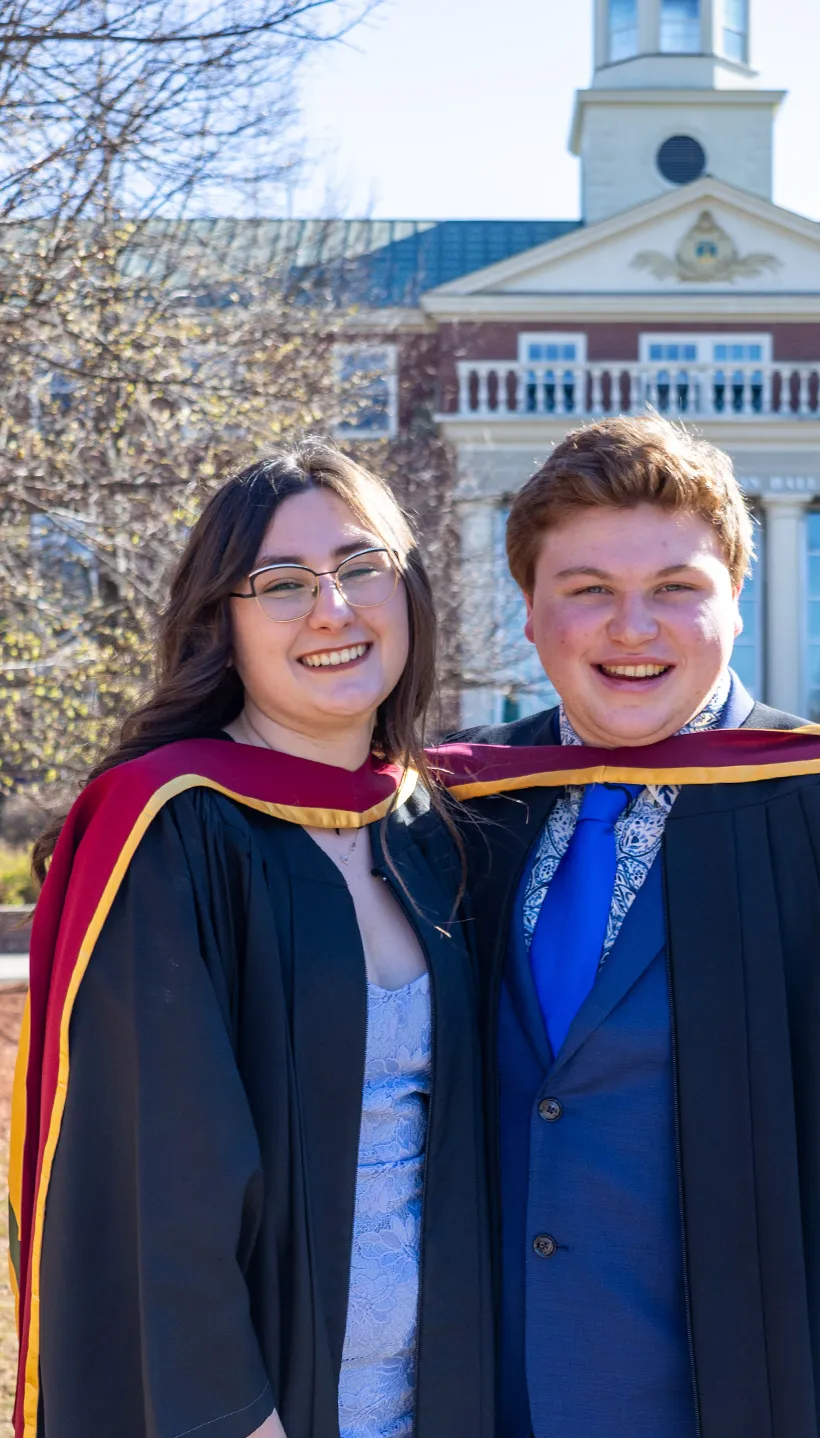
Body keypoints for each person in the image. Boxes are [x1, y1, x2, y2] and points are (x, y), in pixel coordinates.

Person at [446, 416, 820, 1438]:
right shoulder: (466, 806)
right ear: (528, 611)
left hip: (759, 1395)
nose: (631, 626)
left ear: (735, 600)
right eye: (587, 590)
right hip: (490, 1400)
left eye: (674, 588)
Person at [10, 441, 493, 1438]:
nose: (334, 608)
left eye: (362, 567)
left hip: (439, 1392)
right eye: (281, 584)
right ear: (220, 623)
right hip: (265, 1407)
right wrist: (235, 1418)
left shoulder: (428, 830)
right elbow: (162, 1181)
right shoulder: (173, 829)